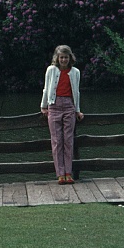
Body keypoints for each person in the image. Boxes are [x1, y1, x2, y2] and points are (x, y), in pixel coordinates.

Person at [40, 45, 84, 185]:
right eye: (61, 57)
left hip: (69, 106)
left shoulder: (75, 72)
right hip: (54, 105)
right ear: (57, 58)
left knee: (68, 141)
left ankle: (68, 173)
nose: (64, 60)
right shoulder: (51, 70)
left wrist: (77, 110)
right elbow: (46, 88)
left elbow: (76, 92)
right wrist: (44, 106)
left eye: (66, 57)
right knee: (57, 141)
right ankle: (60, 174)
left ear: (70, 58)